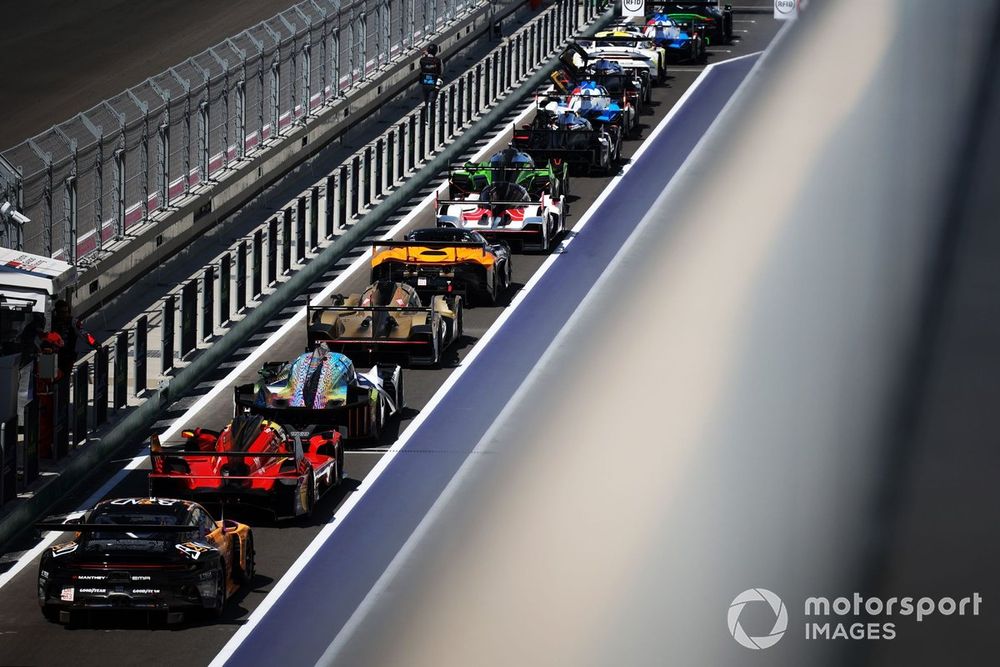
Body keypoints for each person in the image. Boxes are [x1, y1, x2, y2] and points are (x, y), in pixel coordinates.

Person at [50, 299, 78, 379]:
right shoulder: (51, 324)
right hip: (54, 357)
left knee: (64, 380)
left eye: (67, 312)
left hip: (67, 358)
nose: (65, 315)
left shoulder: (73, 322)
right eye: (62, 313)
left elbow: (85, 335)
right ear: (57, 313)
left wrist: (96, 345)